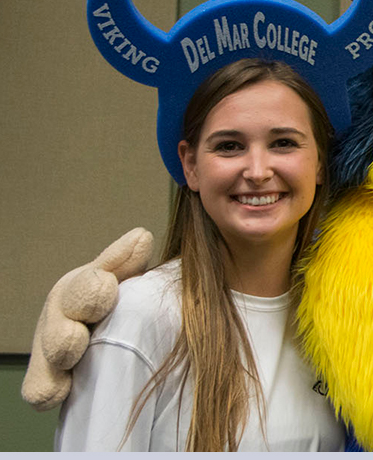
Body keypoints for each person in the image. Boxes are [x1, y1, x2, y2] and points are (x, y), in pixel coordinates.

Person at [54, 58, 345, 451]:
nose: (258, 171)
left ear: (320, 162)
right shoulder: (140, 316)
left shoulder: (347, 317)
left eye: (283, 143)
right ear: (191, 165)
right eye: (229, 146)